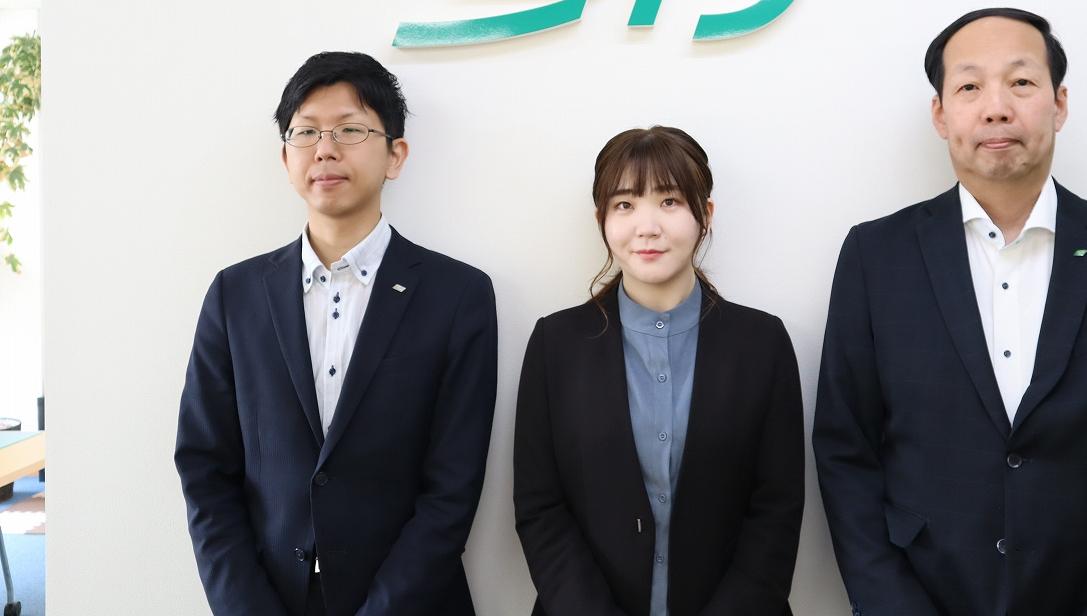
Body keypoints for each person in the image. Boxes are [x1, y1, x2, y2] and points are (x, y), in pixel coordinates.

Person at [813, 9, 1087, 616]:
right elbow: (846, 453)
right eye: (970, 86)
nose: (996, 108)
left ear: (1059, 104)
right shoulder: (876, 255)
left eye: (1021, 82)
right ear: (941, 115)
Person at [175, 52, 498, 616]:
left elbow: (452, 489)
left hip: (412, 603)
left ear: (395, 155)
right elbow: (205, 470)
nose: (325, 149)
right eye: (306, 132)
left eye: (350, 129)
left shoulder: (458, 296)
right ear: (286, 158)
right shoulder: (235, 295)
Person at [514, 126, 805, 616]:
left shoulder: (763, 342)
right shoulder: (556, 343)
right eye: (625, 204)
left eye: (669, 201)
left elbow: (777, 509)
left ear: (705, 214)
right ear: (601, 219)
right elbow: (540, 507)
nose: (647, 227)